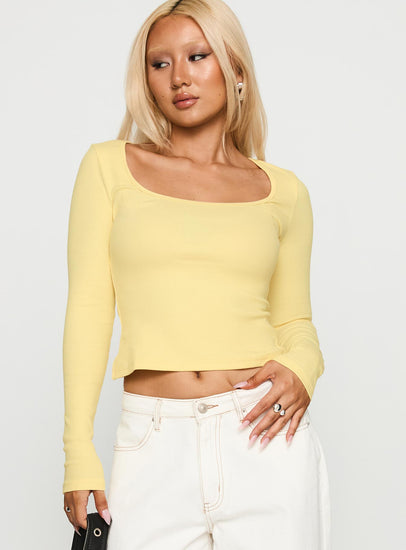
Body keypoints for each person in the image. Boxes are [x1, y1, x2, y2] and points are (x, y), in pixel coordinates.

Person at [62, 0, 331, 548]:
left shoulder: (285, 192)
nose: (178, 77)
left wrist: (304, 366)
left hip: (263, 434)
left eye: (197, 56)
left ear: (236, 69)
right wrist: (78, 451)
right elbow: (88, 310)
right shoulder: (108, 168)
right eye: (159, 63)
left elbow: (295, 322)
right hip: (152, 440)